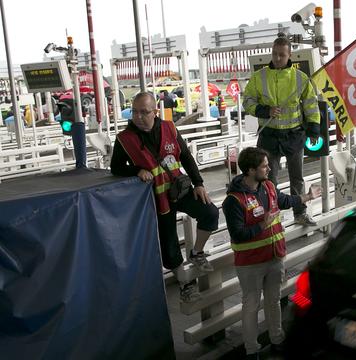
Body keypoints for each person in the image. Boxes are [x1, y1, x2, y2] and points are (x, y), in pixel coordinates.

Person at [110, 92, 219, 302]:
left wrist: (199, 184)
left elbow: (186, 156)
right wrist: (136, 171)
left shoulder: (169, 127)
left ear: (155, 112)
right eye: (135, 112)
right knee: (168, 242)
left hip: (180, 188)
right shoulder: (124, 139)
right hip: (156, 199)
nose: (138, 116)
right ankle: (186, 285)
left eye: (144, 112)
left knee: (210, 212)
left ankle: (197, 252)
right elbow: (115, 168)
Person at [222, 147, 321, 360]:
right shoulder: (233, 201)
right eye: (264, 166)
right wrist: (262, 225)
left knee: (274, 301)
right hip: (250, 264)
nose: (269, 168)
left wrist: (307, 197)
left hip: (275, 257)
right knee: (251, 306)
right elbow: (238, 235)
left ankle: (277, 339)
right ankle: (252, 350)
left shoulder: (268, 186)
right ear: (250, 170)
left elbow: (284, 201)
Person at [243, 36, 321, 227]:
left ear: (289, 55)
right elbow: (247, 101)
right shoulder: (259, 77)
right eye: (275, 54)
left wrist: (314, 129)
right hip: (269, 136)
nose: (278, 58)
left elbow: (311, 105)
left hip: (294, 135)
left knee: (297, 179)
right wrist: (265, 110)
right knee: (269, 180)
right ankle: (271, 216)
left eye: (282, 55)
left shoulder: (300, 78)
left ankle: (300, 213)